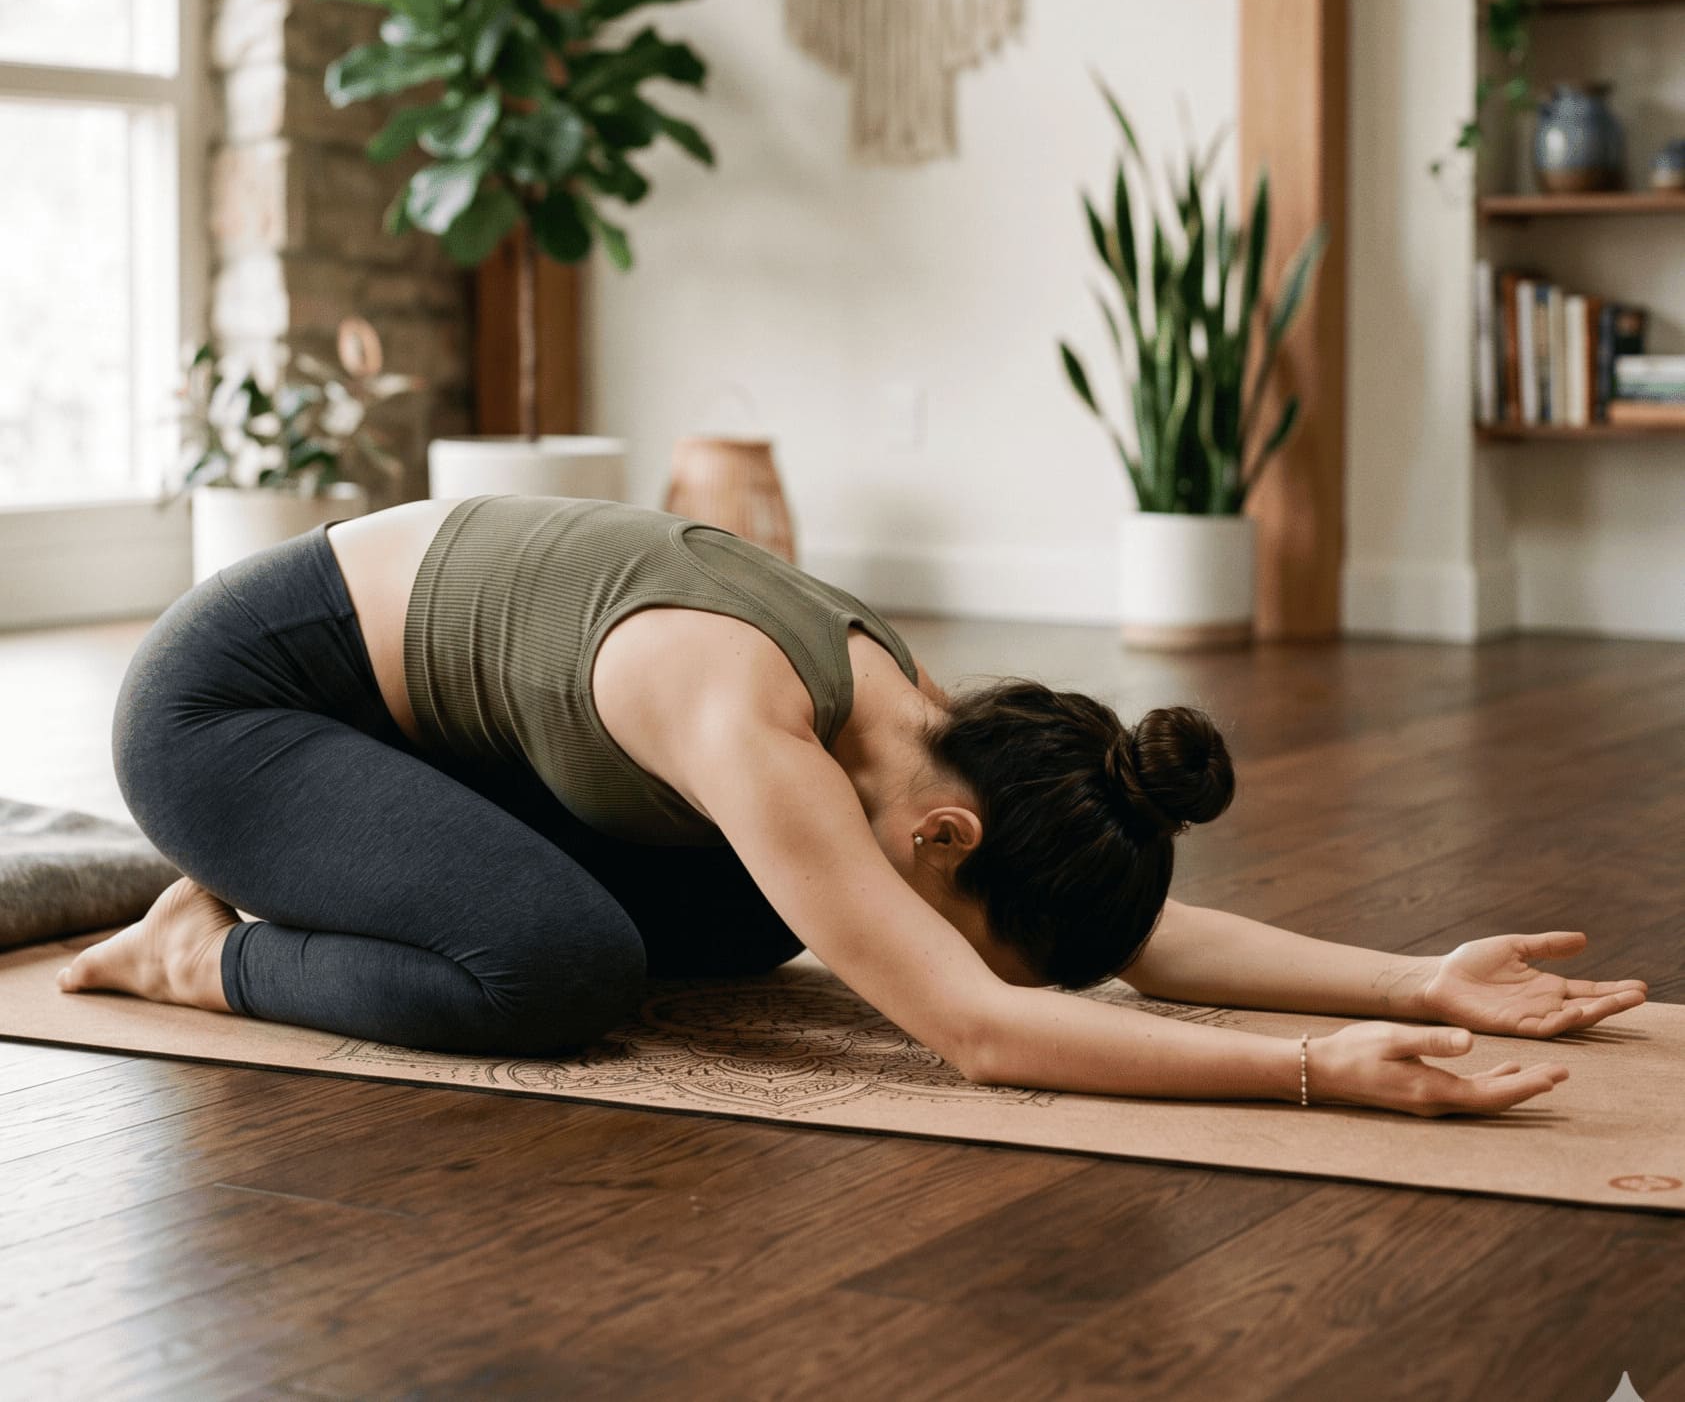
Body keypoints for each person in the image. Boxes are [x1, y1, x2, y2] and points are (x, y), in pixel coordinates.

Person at [59, 493, 1647, 1118]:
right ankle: (202, 950)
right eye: (961, 913)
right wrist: (1313, 1075)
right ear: (945, 838)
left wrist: (1413, 977)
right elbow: (981, 1029)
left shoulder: (925, 731)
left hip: (434, 740)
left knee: (766, 910)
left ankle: (318, 888)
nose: (919, 921)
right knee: (556, 973)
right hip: (233, 710)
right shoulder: (752, 714)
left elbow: (1134, 939)